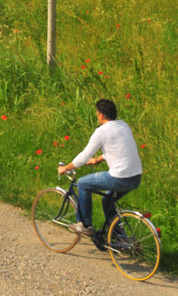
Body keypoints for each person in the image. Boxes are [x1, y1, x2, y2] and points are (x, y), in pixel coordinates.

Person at [58, 99, 142, 236]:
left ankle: (86, 225)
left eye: (97, 113)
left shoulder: (102, 131)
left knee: (83, 183)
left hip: (119, 178)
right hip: (135, 177)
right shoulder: (124, 125)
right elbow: (119, 150)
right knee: (107, 200)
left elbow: (85, 155)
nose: (97, 116)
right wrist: (98, 160)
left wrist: (66, 168)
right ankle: (119, 236)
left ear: (101, 114)